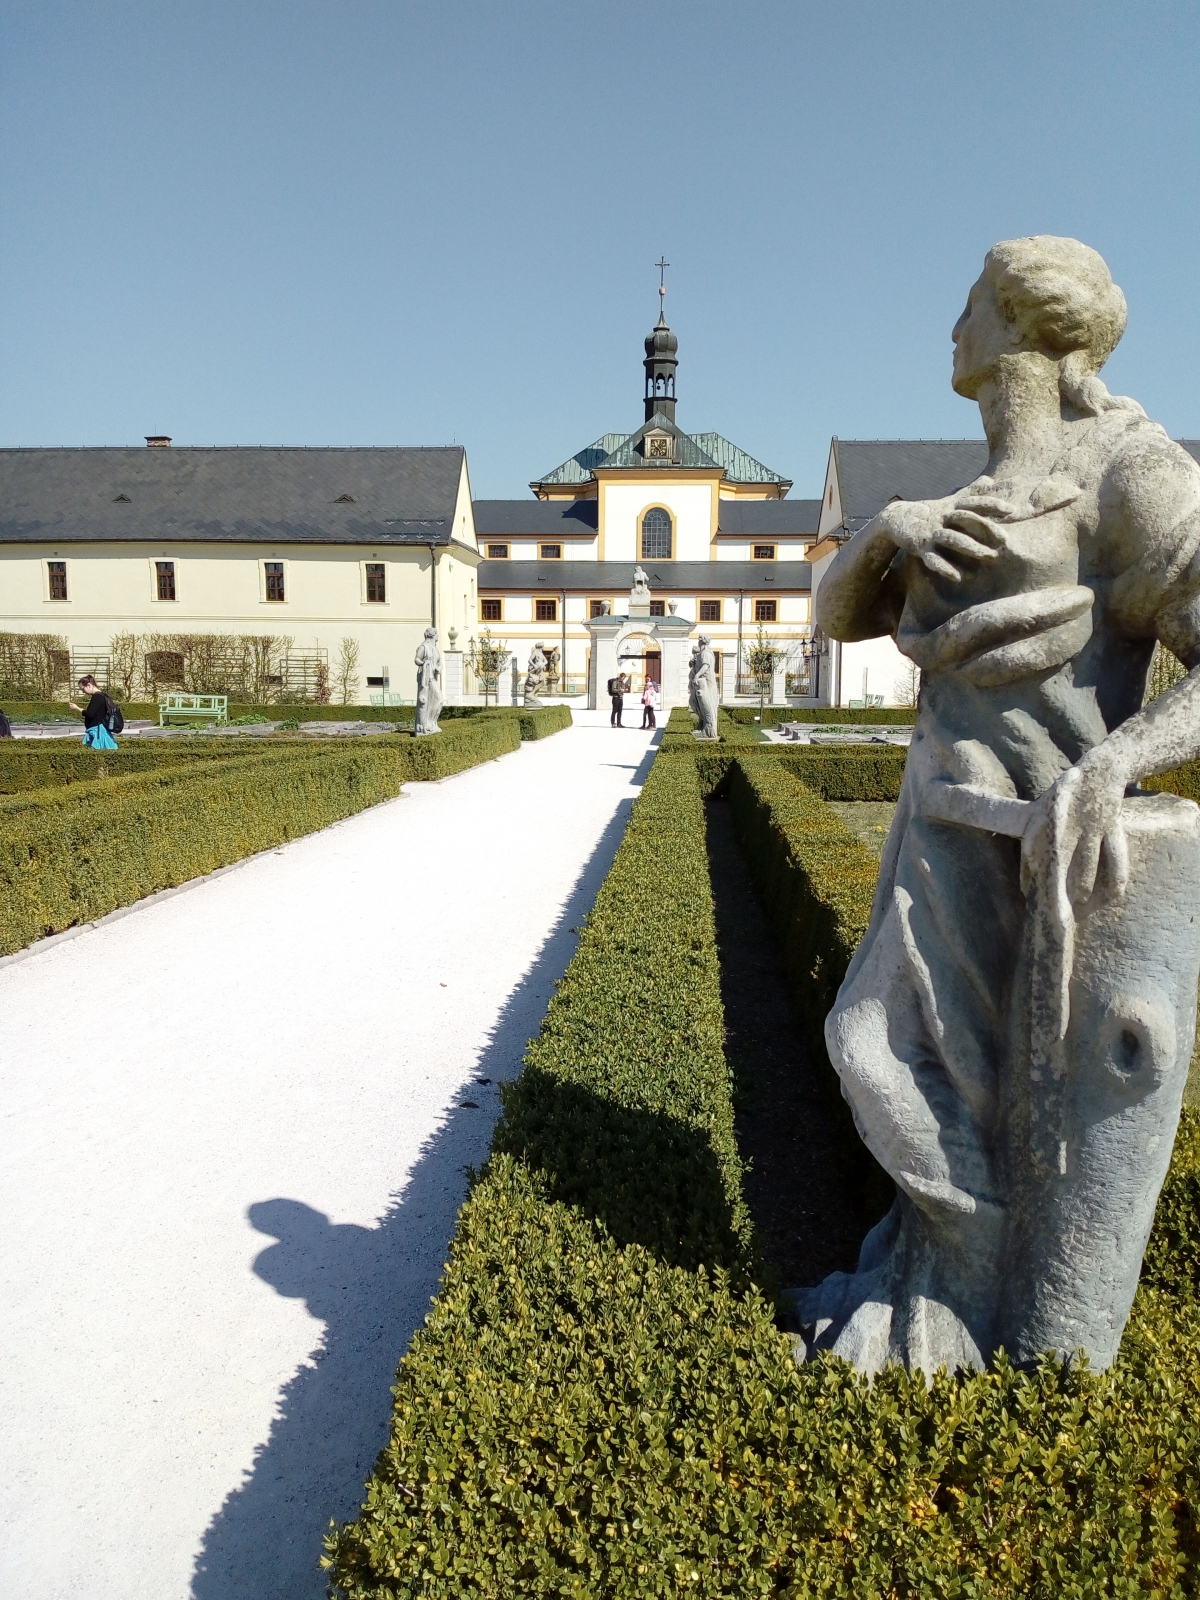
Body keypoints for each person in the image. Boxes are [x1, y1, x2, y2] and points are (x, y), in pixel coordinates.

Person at [799, 235, 1200, 1377]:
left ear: (1026, 324)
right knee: (884, 1051)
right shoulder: (969, 497)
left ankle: (967, 1295)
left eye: (973, 301)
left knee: (897, 1057)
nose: (954, 323)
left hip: (1035, 858)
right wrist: (890, 529)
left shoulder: (1132, 470)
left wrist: (1117, 763)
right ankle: (928, 1286)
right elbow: (834, 617)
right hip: (935, 839)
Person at [68, 675, 120, 749]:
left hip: (98, 731)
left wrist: (77, 708)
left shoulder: (97, 697)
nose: (83, 692)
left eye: (82, 689)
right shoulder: (102, 696)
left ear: (89, 685)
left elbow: (90, 714)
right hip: (99, 729)